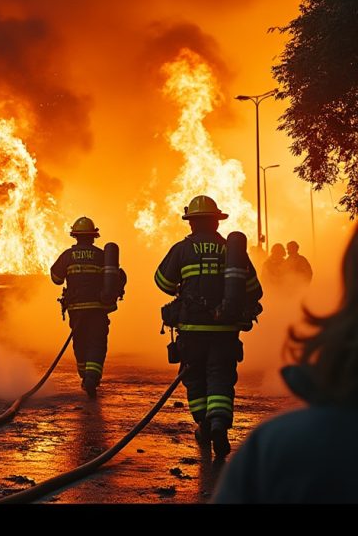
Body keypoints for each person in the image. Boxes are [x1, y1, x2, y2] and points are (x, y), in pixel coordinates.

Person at [213, 227, 358, 503]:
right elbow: (260, 283)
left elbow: (303, 276)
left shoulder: (278, 448)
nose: (284, 253)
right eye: (283, 250)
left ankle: (212, 420)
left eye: (286, 250)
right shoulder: (270, 264)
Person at [153, 195, 262, 458]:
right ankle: (218, 425)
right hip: (226, 331)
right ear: (216, 222)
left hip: (192, 331)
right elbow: (254, 290)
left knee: (195, 378)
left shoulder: (182, 248)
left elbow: (163, 283)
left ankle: (203, 422)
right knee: (221, 377)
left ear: (191, 223)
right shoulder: (232, 251)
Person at [50, 217, 125, 399]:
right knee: (97, 343)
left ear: (75, 236)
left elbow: (56, 278)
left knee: (80, 343)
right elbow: (117, 277)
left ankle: (85, 375)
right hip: (98, 310)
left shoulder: (68, 255)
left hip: (76, 310)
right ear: (94, 236)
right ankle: (92, 377)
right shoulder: (101, 256)